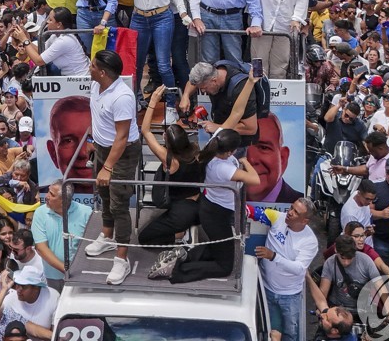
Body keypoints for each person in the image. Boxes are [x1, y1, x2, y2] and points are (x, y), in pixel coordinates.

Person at [169, 127, 258, 283]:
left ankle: (184, 256)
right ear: (230, 152)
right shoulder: (223, 168)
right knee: (225, 266)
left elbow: (222, 129)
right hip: (216, 215)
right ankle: (178, 271)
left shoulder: (213, 148)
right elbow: (255, 179)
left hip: (210, 207)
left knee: (221, 247)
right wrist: (245, 161)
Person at [82, 50, 140, 285]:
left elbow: (122, 137)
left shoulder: (123, 97)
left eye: (93, 66)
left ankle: (121, 258)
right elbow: (97, 115)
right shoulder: (97, 86)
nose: (89, 68)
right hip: (102, 149)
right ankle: (106, 236)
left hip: (122, 154)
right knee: (104, 194)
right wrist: (92, 140)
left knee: (119, 204)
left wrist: (107, 167)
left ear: (103, 72)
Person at [137, 86, 204, 247]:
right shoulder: (197, 151)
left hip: (182, 209)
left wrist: (153, 101)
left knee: (144, 238)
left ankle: (180, 236)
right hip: (200, 203)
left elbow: (145, 131)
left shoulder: (170, 160)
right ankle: (185, 229)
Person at [257, 198, 318, 341]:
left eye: (295, 212)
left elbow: (299, 269)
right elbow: (253, 212)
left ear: (305, 221)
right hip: (266, 289)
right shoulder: (278, 218)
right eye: (291, 208)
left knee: (291, 336)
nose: (289, 213)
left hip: (289, 296)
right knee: (268, 332)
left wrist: (273, 256)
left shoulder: (310, 241)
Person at [30, 178, 91, 289]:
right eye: (48, 191)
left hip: (80, 277)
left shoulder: (87, 213)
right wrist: (66, 270)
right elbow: (41, 248)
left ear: (63, 200)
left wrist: (75, 273)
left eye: (52, 195)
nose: (46, 196)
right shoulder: (40, 213)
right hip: (53, 278)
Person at [44, 95, 92, 180]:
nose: (82, 153)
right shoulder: (45, 193)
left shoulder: (120, 191)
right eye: (68, 141)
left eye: (92, 139)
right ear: (53, 153)